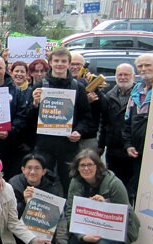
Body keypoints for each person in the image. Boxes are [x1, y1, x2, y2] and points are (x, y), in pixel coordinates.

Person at [31, 47, 96, 194]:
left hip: (68, 145)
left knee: (70, 183)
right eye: (56, 61)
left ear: (69, 64)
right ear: (51, 63)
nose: (60, 64)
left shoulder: (78, 87)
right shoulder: (40, 86)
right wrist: (34, 104)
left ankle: (69, 213)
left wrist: (78, 131)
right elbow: (29, 119)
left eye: (63, 61)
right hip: (44, 145)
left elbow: (87, 117)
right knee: (42, 184)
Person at [65, 149, 139, 244]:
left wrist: (106, 204)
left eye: (89, 165)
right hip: (86, 226)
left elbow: (125, 214)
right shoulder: (75, 182)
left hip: (109, 228)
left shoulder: (114, 184)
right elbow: (69, 210)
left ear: (98, 166)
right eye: (82, 165)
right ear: (77, 168)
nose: (86, 169)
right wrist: (82, 237)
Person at [8, 153, 64, 244]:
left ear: (44, 171)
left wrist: (49, 239)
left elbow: (55, 217)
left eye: (37, 168)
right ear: (23, 170)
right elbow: (10, 214)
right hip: (18, 232)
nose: (32, 172)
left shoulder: (51, 188)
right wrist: (25, 202)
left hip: (40, 232)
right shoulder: (14, 184)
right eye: (29, 168)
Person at [122, 54, 153, 206]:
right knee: (135, 191)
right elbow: (127, 122)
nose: (144, 69)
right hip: (136, 152)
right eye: (140, 66)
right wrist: (128, 145)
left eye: (147, 65)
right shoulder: (137, 90)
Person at [100, 63, 136, 187]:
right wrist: (101, 145)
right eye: (120, 74)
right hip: (113, 148)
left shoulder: (140, 96)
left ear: (134, 77)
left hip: (132, 149)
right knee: (113, 184)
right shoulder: (109, 96)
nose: (123, 77)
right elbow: (104, 123)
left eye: (126, 75)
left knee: (130, 185)